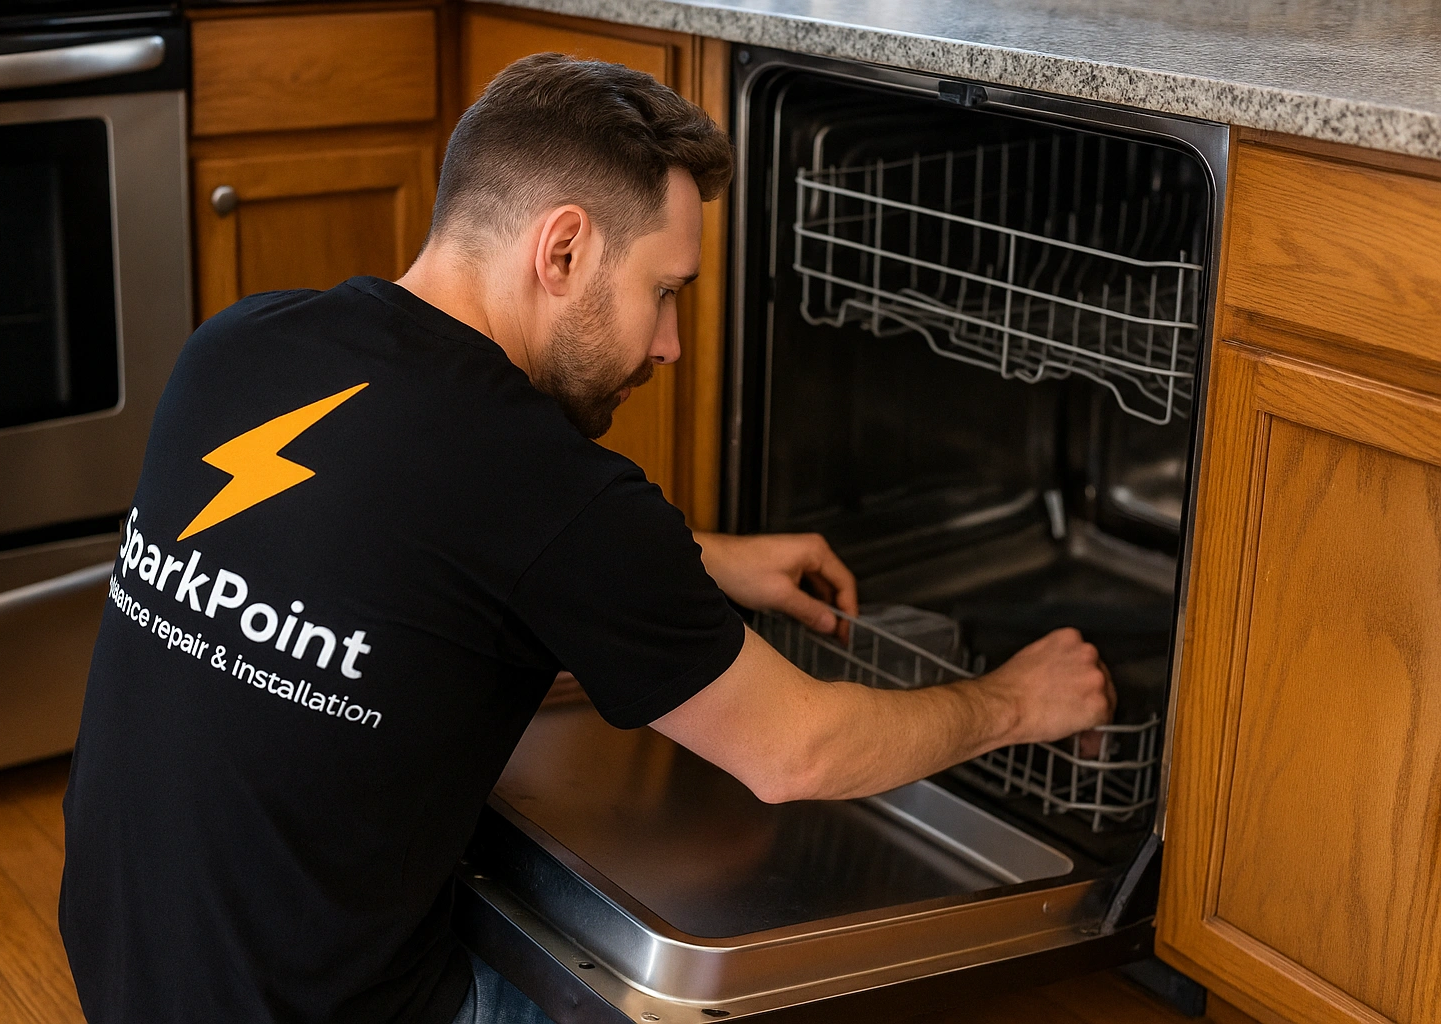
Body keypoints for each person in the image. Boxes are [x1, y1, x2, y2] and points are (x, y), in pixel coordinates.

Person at [59, 53, 1114, 1024]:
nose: (668, 347)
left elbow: (409, 538)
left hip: (122, 975)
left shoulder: (241, 342)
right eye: (664, 293)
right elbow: (802, 752)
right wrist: (1017, 700)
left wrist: (703, 559)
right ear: (561, 246)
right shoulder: (549, 484)